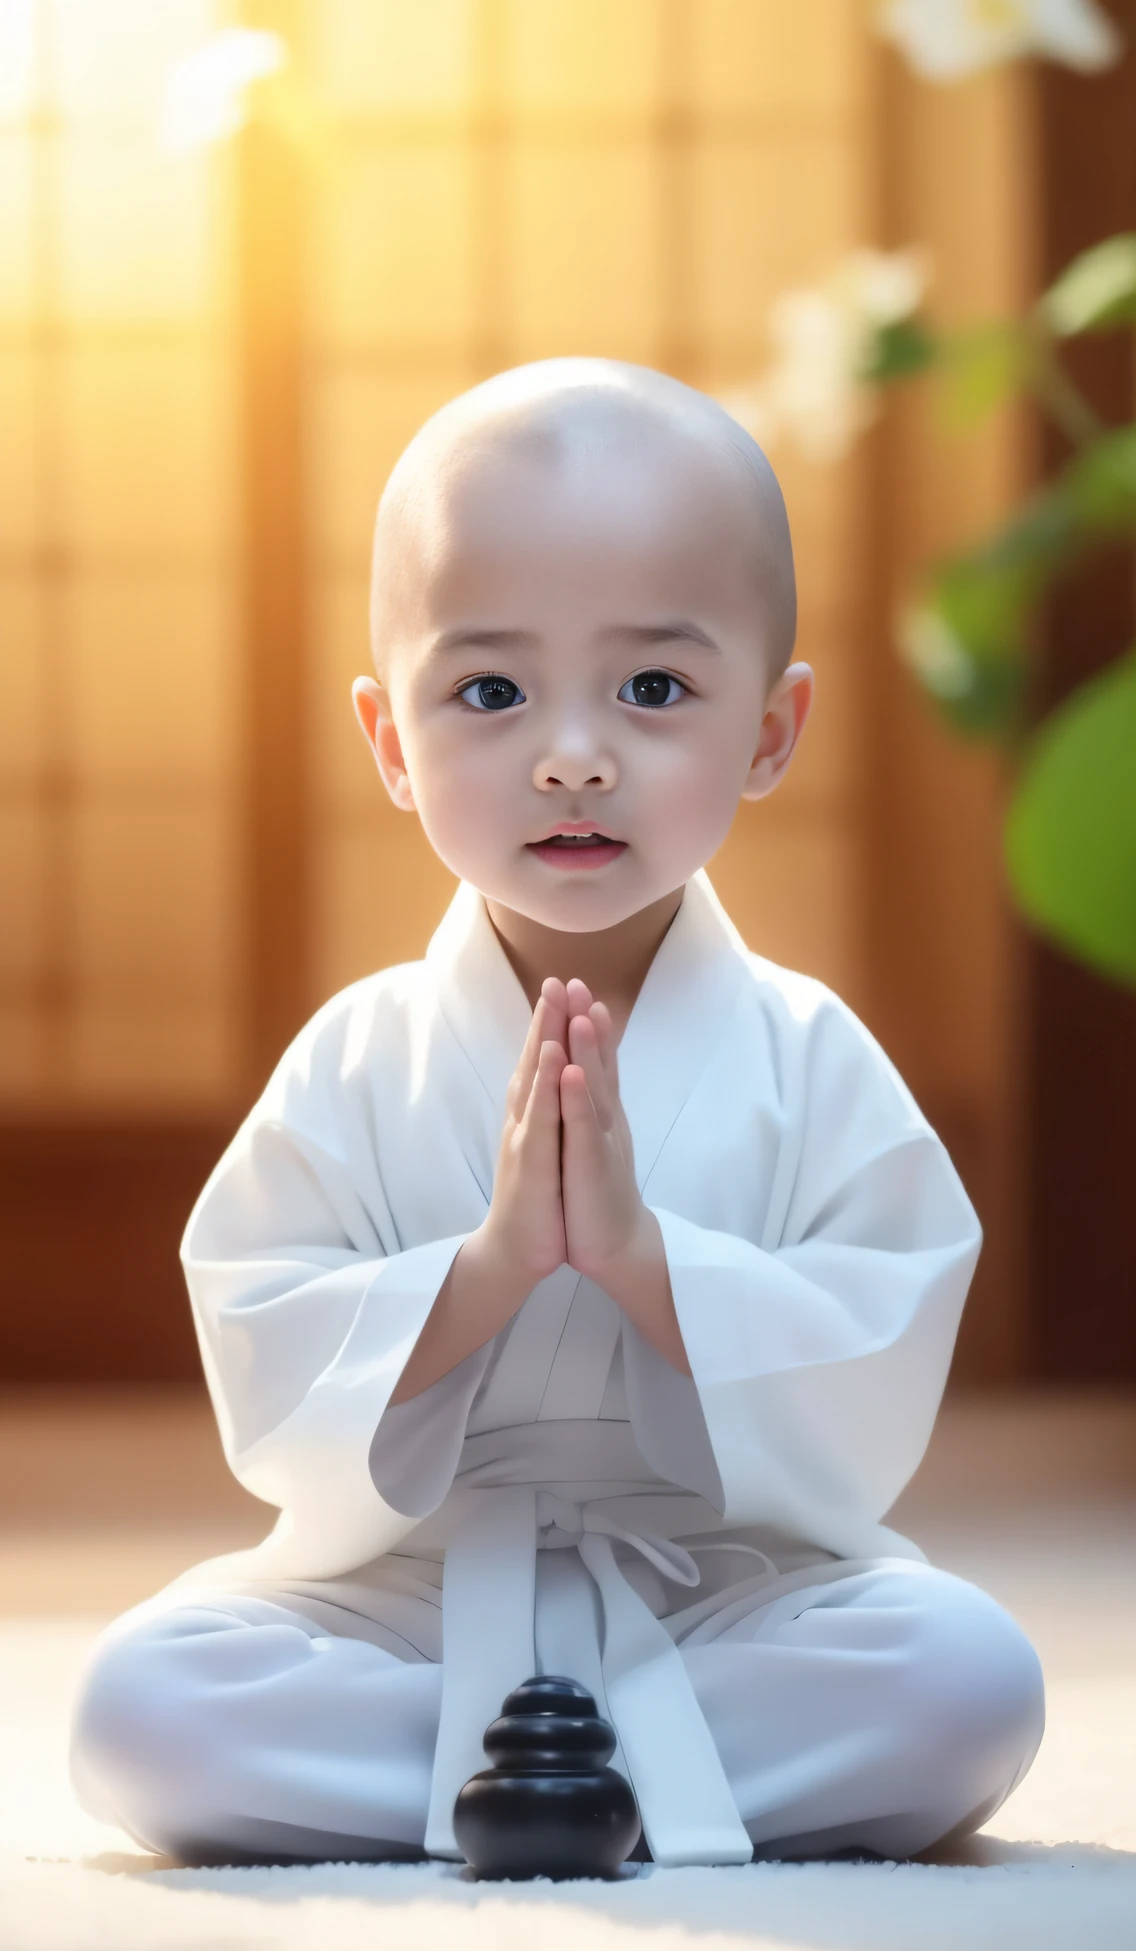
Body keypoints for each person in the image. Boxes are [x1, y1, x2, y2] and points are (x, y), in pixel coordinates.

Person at [70, 359, 1045, 1868]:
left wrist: (651, 1264)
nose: (572, 751)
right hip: (412, 1585)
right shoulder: (359, 1056)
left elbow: (873, 1371)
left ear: (773, 731)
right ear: (391, 740)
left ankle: (502, 1780)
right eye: (490, 689)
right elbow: (268, 1359)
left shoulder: (808, 1052)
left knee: (968, 1682)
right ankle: (624, 1776)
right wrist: (486, 1273)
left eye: (654, 688)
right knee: (141, 1711)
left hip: (730, 1583)